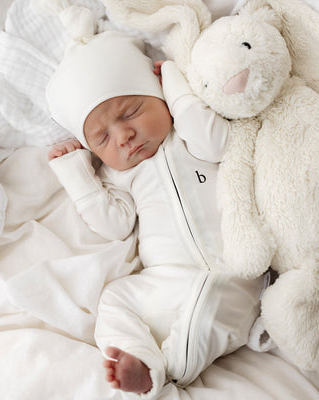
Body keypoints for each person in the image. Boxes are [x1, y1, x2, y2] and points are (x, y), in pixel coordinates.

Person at [47, 28, 262, 399]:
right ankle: (140, 358)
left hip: (232, 270)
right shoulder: (120, 175)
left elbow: (218, 142)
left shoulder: (190, 134)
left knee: (208, 298)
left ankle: (173, 369)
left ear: (159, 95)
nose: (124, 136)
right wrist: (76, 173)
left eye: (131, 112)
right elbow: (114, 225)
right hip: (164, 280)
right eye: (102, 139)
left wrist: (175, 83)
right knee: (114, 299)